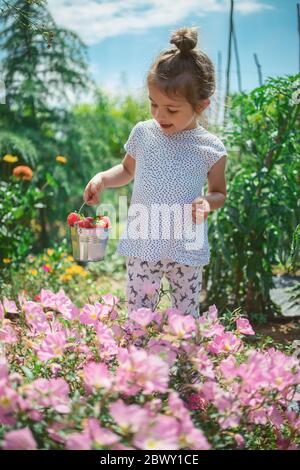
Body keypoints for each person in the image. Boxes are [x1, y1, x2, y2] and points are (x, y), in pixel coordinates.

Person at [83, 27, 228, 318]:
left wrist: (207, 202)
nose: (160, 115)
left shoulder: (210, 147)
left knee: (185, 316)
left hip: (186, 245)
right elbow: (126, 170)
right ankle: (137, 357)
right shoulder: (144, 134)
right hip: (144, 238)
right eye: (153, 104)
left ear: (201, 105)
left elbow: (219, 193)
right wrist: (102, 178)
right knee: (138, 313)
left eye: (171, 110)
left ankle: (185, 358)